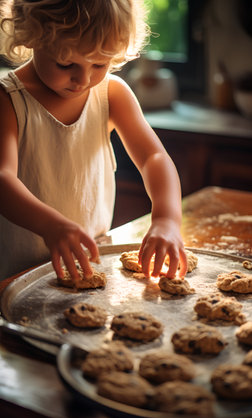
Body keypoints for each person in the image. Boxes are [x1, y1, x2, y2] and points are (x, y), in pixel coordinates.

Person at [0, 0, 187, 283]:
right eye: (66, 63)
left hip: (89, 264)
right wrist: (50, 226)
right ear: (31, 36)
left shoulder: (111, 93)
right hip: (18, 273)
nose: (83, 79)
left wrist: (167, 219)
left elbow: (153, 157)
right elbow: (3, 179)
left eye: (100, 63)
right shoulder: (9, 101)